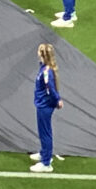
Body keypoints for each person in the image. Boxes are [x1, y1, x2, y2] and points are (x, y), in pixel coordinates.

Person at [31, 43, 63, 171]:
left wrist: (57, 100)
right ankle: (44, 153)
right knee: (43, 132)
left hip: (44, 105)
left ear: (42, 55)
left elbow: (51, 89)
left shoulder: (46, 72)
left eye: (39, 51)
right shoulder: (44, 67)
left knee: (45, 133)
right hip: (42, 103)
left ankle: (46, 163)